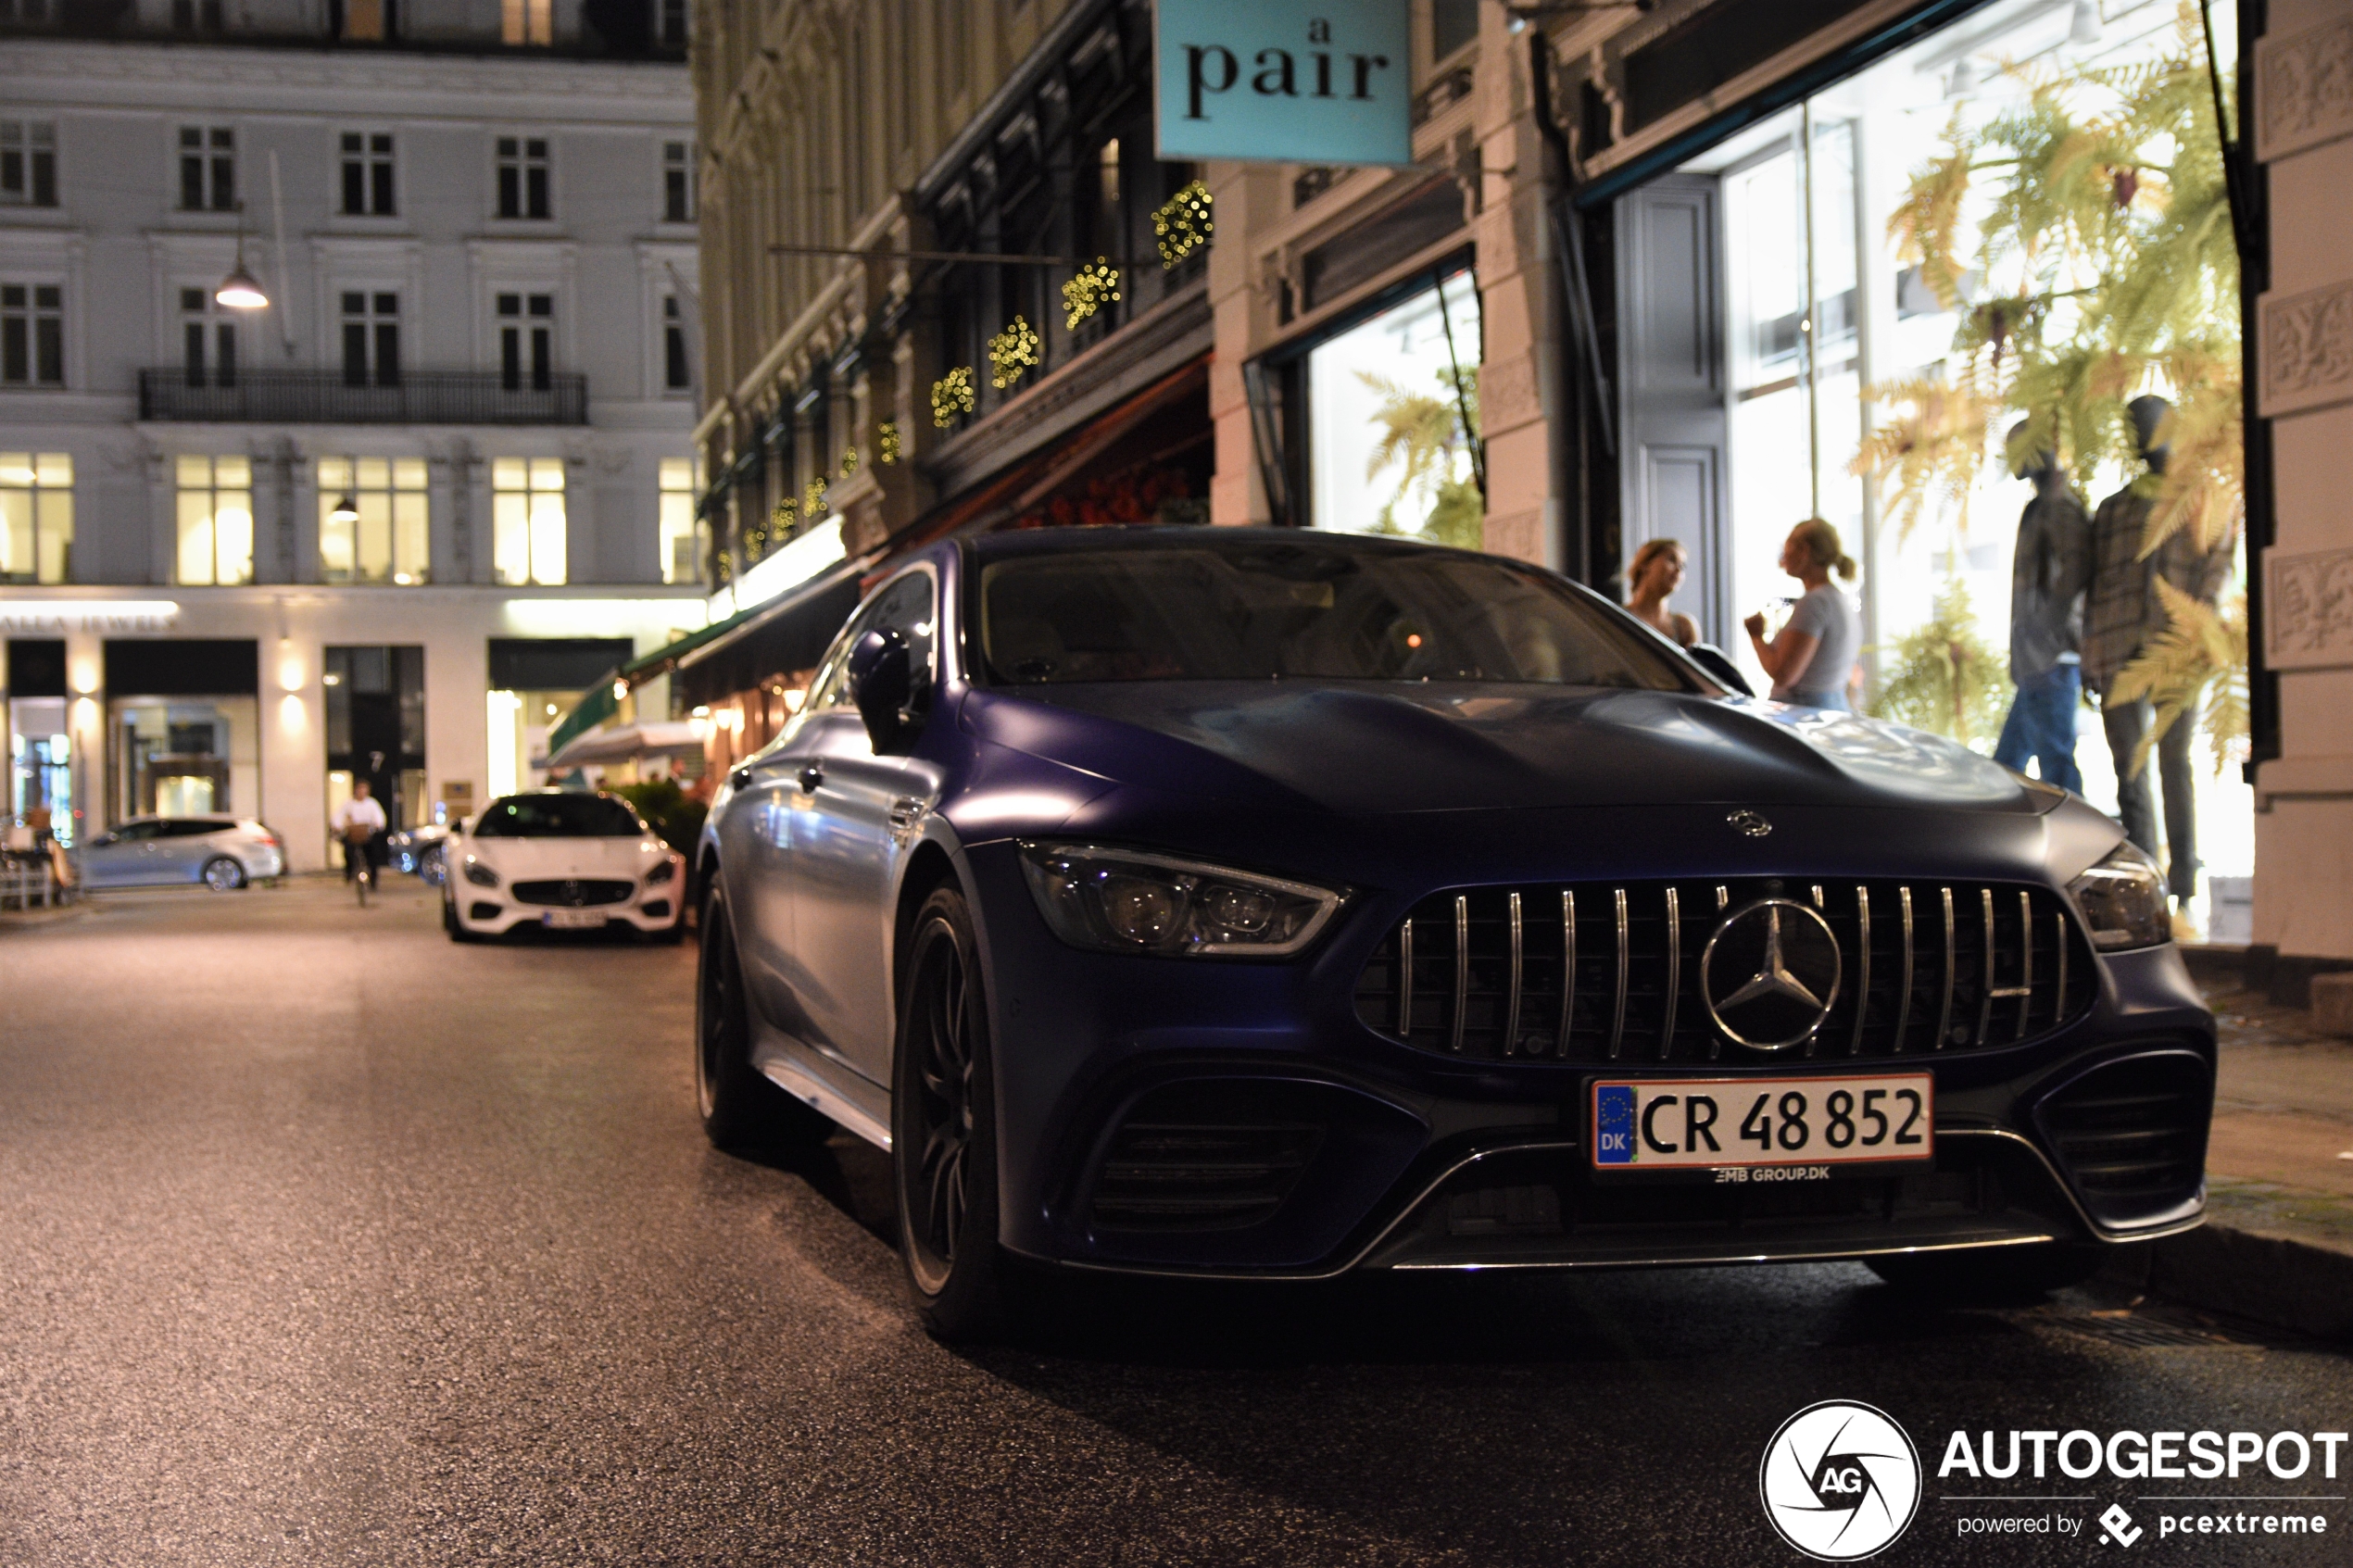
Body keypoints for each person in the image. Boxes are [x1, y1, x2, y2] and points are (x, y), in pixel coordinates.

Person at [2082, 395, 2235, 918]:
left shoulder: (2203, 500)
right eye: (2132, 428)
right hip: (2117, 650)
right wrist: (2091, 654)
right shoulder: (2112, 510)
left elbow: (2218, 571)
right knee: (2129, 769)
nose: (2139, 437)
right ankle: (2144, 880)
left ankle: (2185, 882)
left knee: (2174, 763)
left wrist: (2199, 633)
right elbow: (2097, 586)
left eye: (2147, 426)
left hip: (2178, 651)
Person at [1992, 422, 2093, 793]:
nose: (2011, 460)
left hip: (2051, 662)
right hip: (2035, 663)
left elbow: (2076, 568)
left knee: (2057, 768)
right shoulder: (2039, 507)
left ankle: (2077, 845)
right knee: (2004, 769)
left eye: (2015, 450)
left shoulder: (2060, 505)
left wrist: (2048, 631)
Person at [1743, 518, 1861, 710]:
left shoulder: (1814, 603)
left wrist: (1756, 636)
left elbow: (1784, 675)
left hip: (1804, 716)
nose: (1783, 556)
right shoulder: (1839, 599)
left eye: (1787, 547)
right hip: (1831, 708)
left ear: (1804, 551)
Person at [1624, 539, 1700, 646]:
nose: (1679, 570)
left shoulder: (1684, 626)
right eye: (1672, 560)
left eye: (1682, 566)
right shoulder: (1618, 617)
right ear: (1645, 564)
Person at [332, 780, 388, 890]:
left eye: (364, 790)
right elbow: (338, 816)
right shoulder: (348, 804)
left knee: (372, 856)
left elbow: (379, 818)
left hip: (367, 834)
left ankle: (373, 881)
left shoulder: (372, 804)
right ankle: (349, 873)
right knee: (348, 852)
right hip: (353, 834)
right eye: (360, 790)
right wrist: (338, 825)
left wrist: (378, 824)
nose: (362, 792)